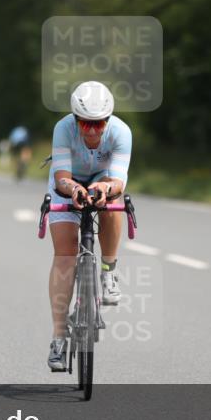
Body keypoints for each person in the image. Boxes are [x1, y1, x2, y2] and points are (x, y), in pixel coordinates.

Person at [46, 81, 132, 371]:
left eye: (99, 123)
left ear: (108, 120)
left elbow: (118, 182)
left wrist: (104, 189)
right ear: (74, 119)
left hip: (103, 178)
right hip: (67, 182)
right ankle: (58, 338)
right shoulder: (63, 129)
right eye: (85, 123)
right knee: (65, 254)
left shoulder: (121, 132)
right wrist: (73, 190)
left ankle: (109, 271)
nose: (93, 130)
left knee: (111, 203)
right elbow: (61, 178)